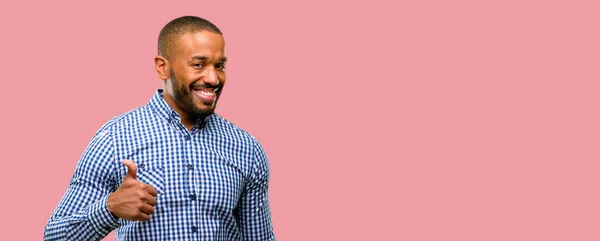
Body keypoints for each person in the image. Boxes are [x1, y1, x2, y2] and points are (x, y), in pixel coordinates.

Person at [44, 16, 275, 241]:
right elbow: (55, 235)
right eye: (199, 64)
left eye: (220, 65)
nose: (213, 78)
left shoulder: (247, 148)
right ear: (163, 67)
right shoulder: (114, 138)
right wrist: (110, 208)